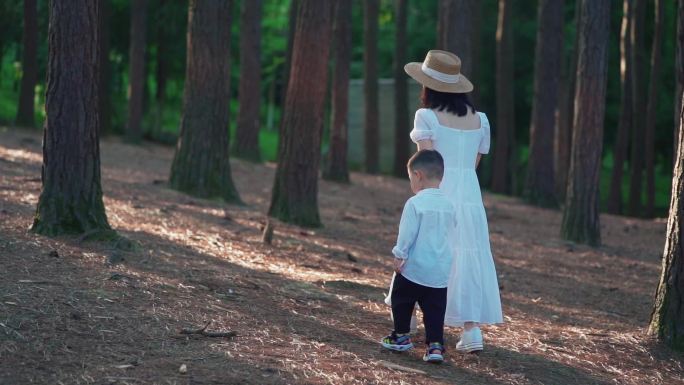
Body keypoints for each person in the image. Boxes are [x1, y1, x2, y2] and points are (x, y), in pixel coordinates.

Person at [404, 50, 503, 353]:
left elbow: (427, 161)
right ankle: (472, 330)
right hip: (469, 195)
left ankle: (408, 319)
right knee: (469, 253)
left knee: (426, 247)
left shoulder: (427, 116)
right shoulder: (480, 120)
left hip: (438, 187)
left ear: (428, 86)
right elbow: (473, 164)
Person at [381, 149, 457, 363]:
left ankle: (401, 336)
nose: (411, 184)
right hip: (440, 270)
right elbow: (451, 233)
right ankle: (435, 346)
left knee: (401, 299)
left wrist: (399, 254)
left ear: (418, 176)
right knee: (435, 310)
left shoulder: (415, 203)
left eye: (410, 178)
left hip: (414, 267)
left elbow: (407, 234)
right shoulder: (449, 205)